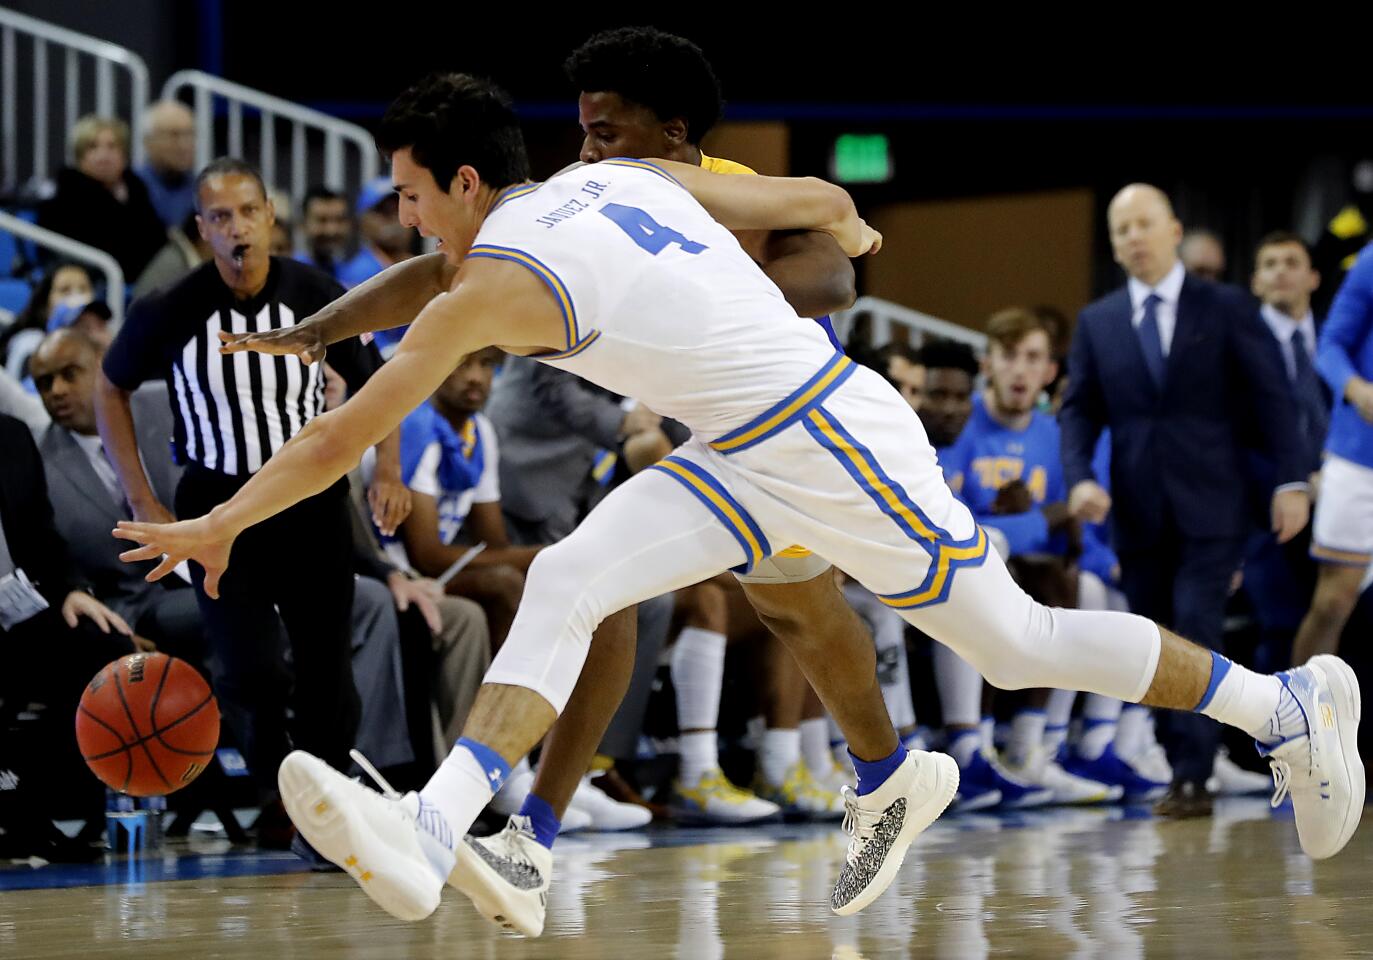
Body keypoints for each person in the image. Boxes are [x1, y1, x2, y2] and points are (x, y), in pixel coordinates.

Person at [123, 74, 1361, 935]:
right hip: (738, 451)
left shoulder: (488, 293)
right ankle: (440, 829)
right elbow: (810, 197)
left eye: (406, 193)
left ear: (457, 183)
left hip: (824, 436)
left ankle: (1284, 705)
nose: (400, 216)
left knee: (1012, 641)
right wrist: (855, 223)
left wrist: (216, 522)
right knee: (568, 576)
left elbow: (345, 433)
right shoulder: (601, 181)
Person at [95, 157, 411, 822]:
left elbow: (382, 382)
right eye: (219, 216)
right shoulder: (171, 308)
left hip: (309, 500)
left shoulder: (319, 294)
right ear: (202, 229)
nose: (235, 227)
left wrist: (387, 470)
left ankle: (328, 805)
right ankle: (279, 790)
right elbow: (109, 386)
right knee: (250, 669)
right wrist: (141, 498)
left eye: (246, 212)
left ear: (269, 216)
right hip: (216, 508)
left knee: (327, 670)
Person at [1059, 183, 1313, 817]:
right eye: (1122, 230)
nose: (1134, 238)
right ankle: (1184, 764)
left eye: (1144, 224)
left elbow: (1272, 399)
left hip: (1213, 504)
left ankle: (1196, 772)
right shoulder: (1099, 321)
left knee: (1196, 626)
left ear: (1173, 229)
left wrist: (1291, 481)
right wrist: (1079, 477)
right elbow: (1079, 409)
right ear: (1114, 246)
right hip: (1138, 509)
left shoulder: (1224, 306)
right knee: (1155, 641)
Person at [1289, 243, 1373, 664]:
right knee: (1333, 603)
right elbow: (1330, 345)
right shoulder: (1371, 259)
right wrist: (1359, 392)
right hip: (1360, 457)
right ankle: (1298, 720)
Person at [38, 115, 167, 280]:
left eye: (112, 147)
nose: (103, 155)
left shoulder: (137, 189)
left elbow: (156, 240)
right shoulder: (62, 202)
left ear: (124, 155)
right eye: (92, 147)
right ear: (79, 157)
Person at [136, 100, 198, 229]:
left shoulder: (202, 189)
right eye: (173, 135)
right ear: (148, 141)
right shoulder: (130, 188)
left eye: (189, 134)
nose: (184, 144)